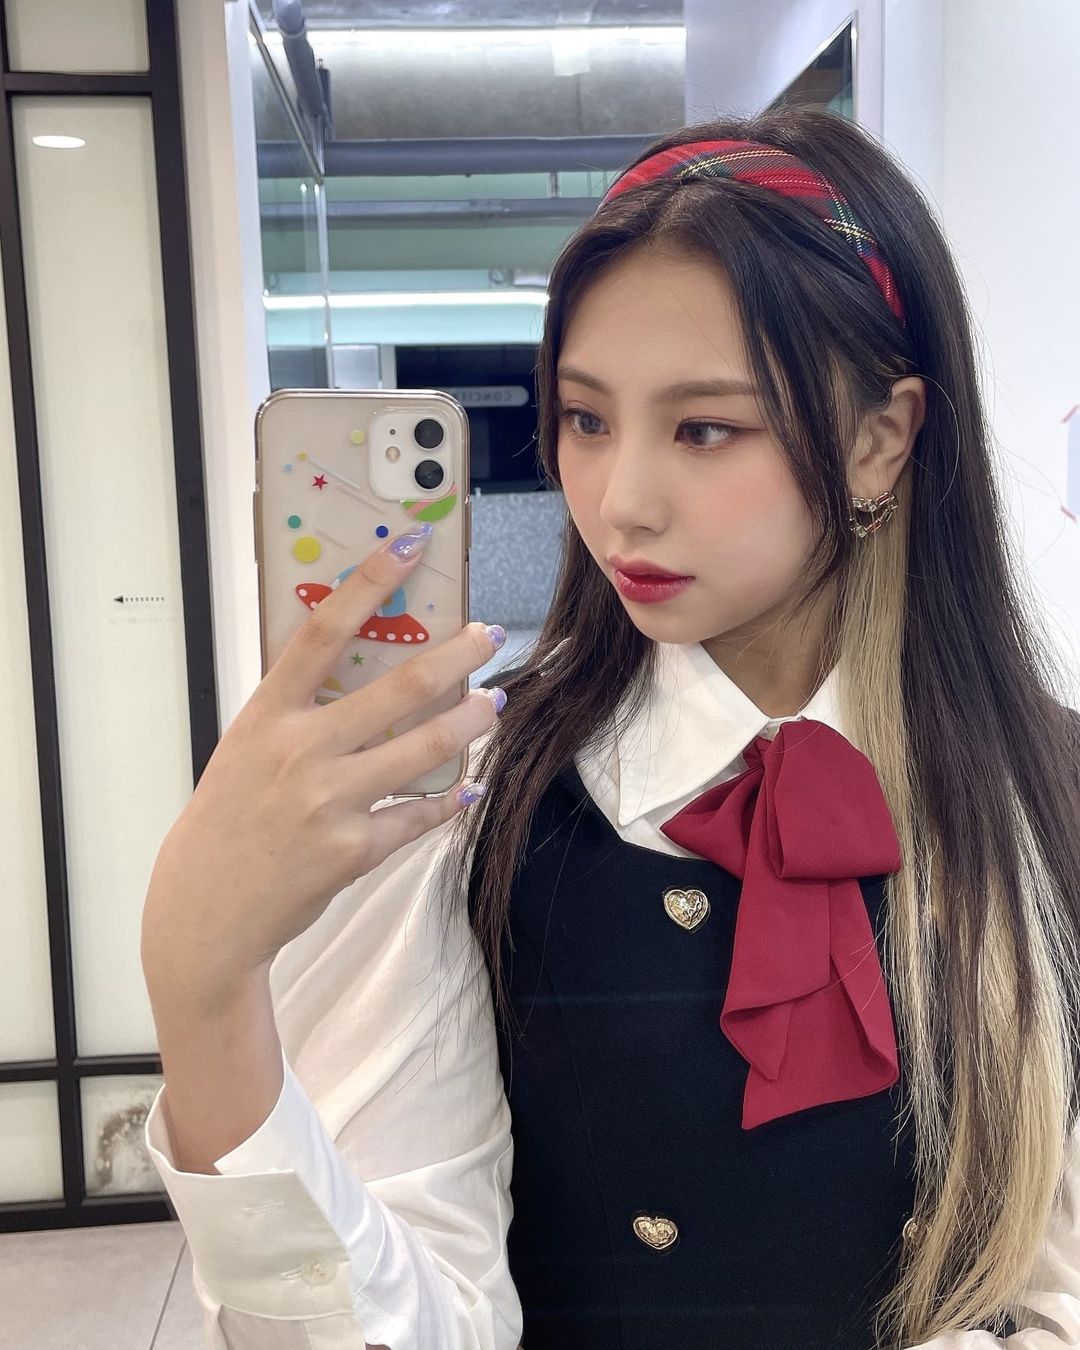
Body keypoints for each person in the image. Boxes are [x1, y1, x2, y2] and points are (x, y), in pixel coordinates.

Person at [141, 105, 1080, 1350]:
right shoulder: (470, 809)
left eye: (706, 429)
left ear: (879, 440)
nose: (619, 501)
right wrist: (206, 989)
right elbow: (401, 1323)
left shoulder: (1047, 796)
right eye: (585, 418)